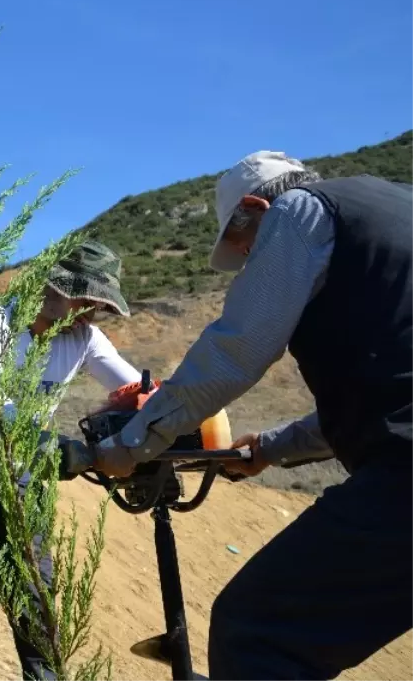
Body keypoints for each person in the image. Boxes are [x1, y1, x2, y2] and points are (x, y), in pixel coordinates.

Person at [93, 151, 413, 680]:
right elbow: (389, 397)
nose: (248, 262)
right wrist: (270, 448)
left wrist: (127, 447)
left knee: (256, 629)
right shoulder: (390, 213)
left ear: (254, 207)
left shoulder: (302, 212)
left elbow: (237, 350)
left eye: (246, 249)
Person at [0, 240, 142, 681]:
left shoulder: (86, 338)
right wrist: (44, 443)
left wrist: (159, 413)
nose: (89, 314)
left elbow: (132, 386)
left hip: (18, 481)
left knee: (36, 593)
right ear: (53, 288)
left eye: (97, 307)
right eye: (85, 301)